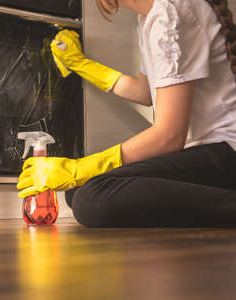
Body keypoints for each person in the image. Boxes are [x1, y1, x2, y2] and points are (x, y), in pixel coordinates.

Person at [17, 0, 236, 227]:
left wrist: (78, 168)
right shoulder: (151, 18)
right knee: (79, 191)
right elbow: (145, 92)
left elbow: (170, 136)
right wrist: (81, 64)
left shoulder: (172, 14)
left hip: (227, 152)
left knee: (91, 198)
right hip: (205, 151)